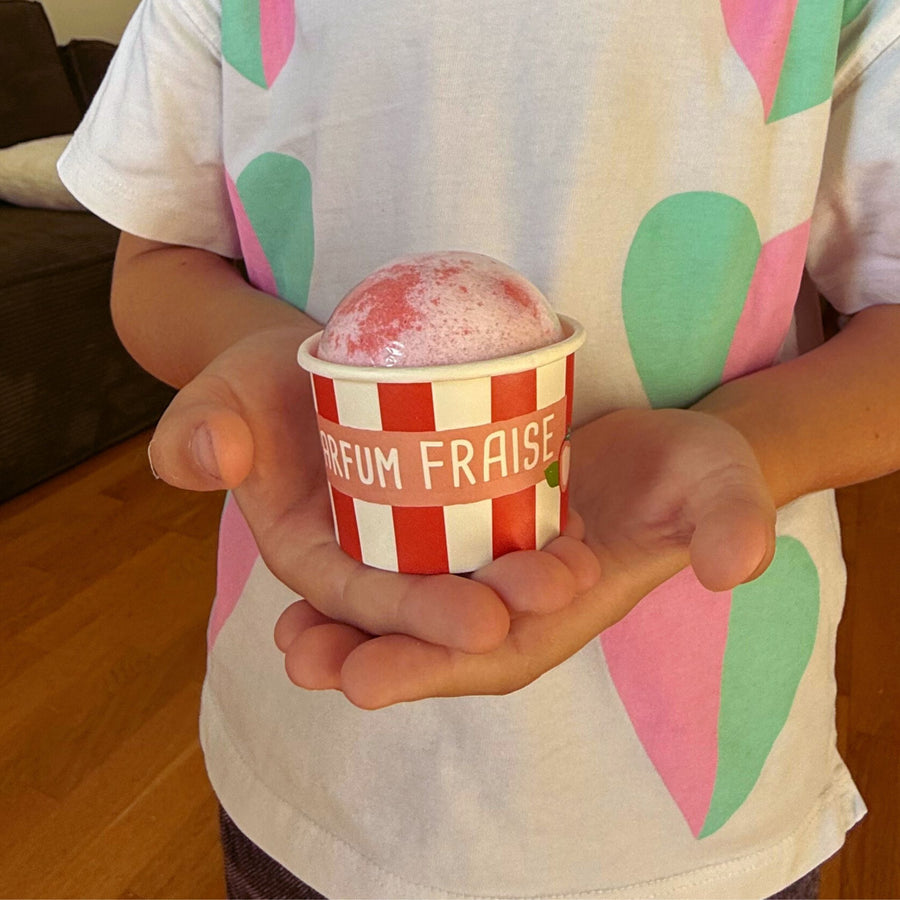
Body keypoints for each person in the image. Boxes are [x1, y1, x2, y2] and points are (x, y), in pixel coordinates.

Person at [59, 0, 900, 897]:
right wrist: (287, 379)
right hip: (320, 752)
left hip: (698, 772)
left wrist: (742, 448)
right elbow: (156, 257)